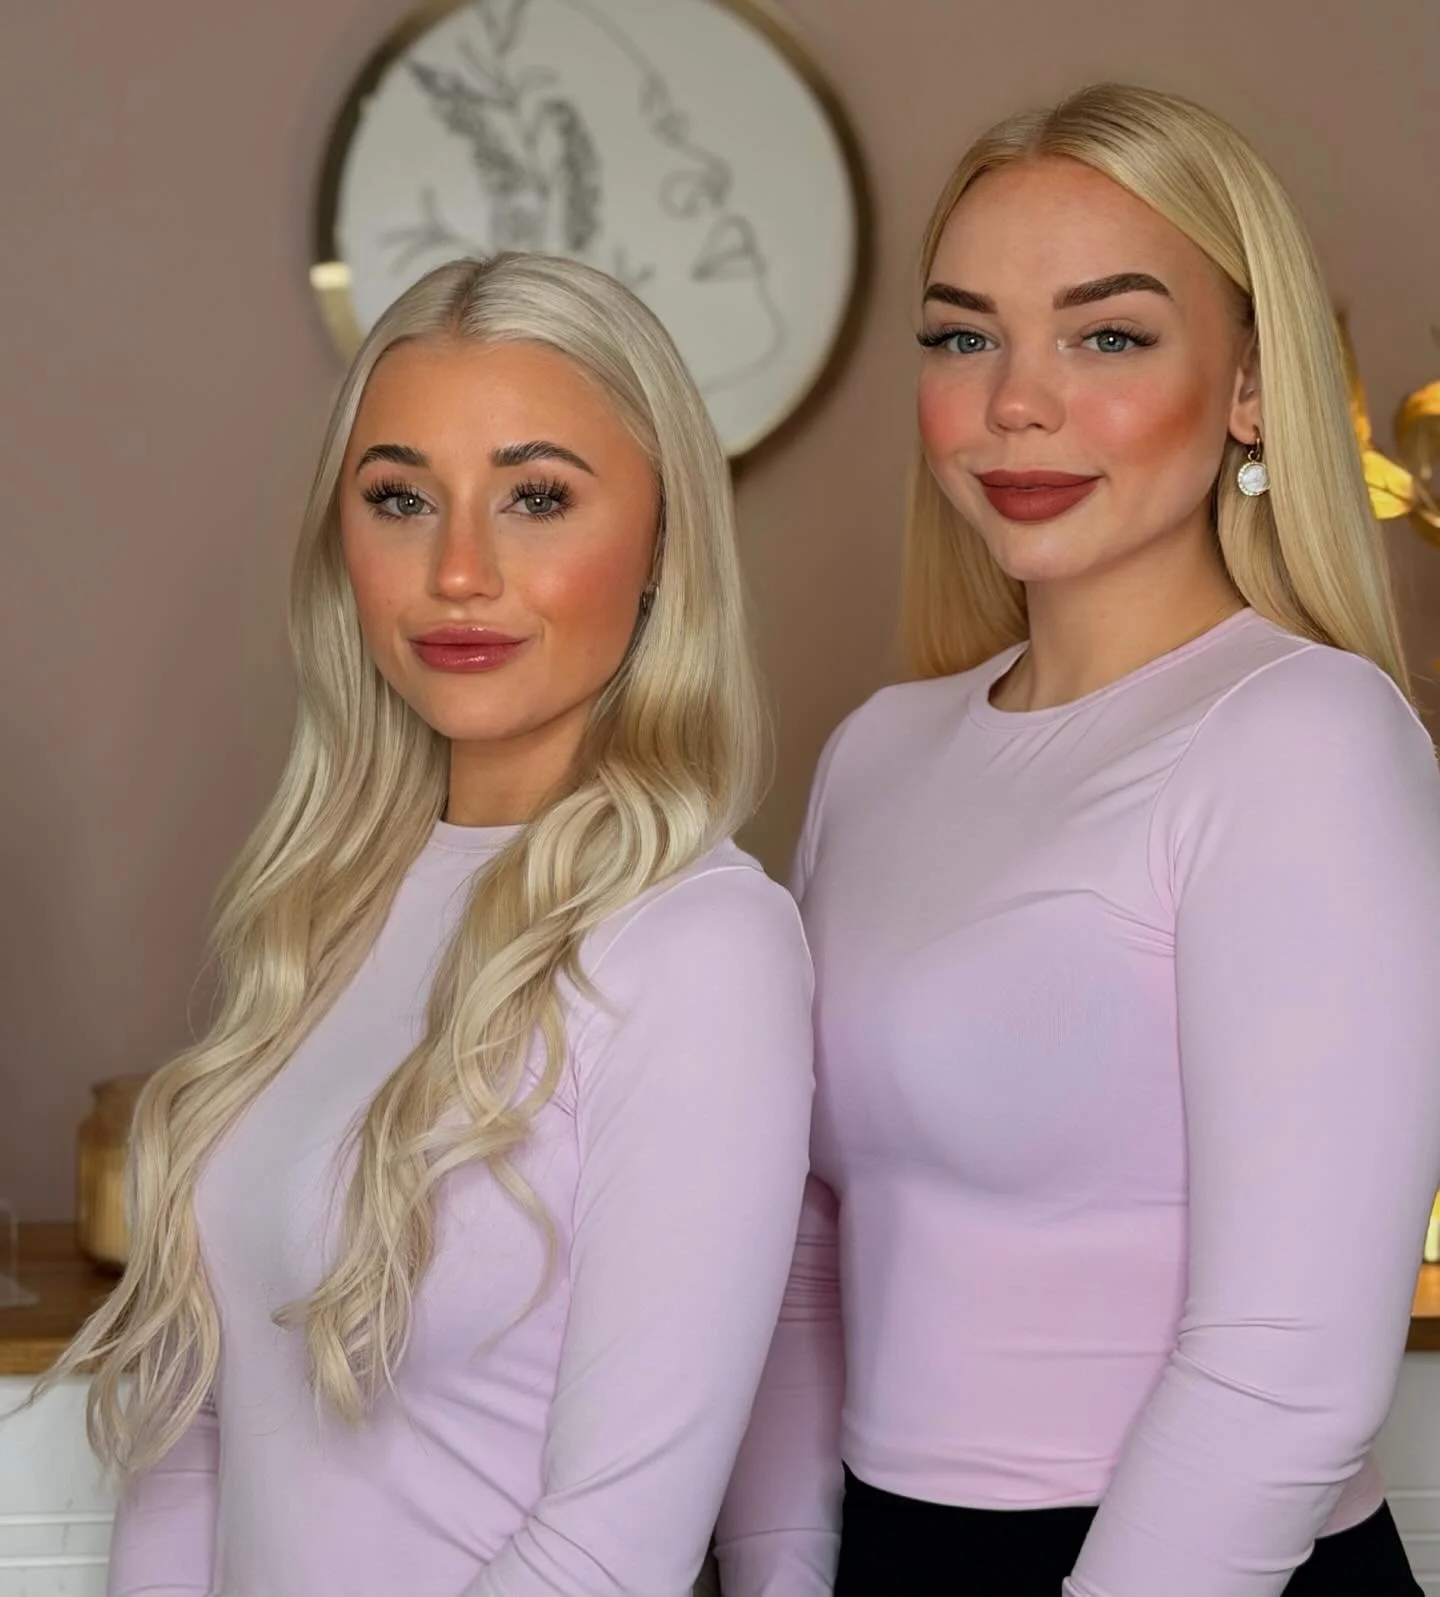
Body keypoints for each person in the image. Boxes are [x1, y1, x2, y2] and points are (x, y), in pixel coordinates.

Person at [715, 83, 1440, 1597]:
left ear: (1252, 386)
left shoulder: (1306, 738)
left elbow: (1293, 1372)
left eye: (1107, 335)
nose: (1016, 403)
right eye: (963, 337)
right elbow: (803, 1250)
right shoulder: (880, 754)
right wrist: (786, 1575)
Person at [46, 253, 815, 1597]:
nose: (459, 571)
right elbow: (195, 1438)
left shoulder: (700, 949)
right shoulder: (325, 906)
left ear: (661, 546)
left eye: (537, 498)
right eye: (401, 499)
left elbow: (614, 1548)